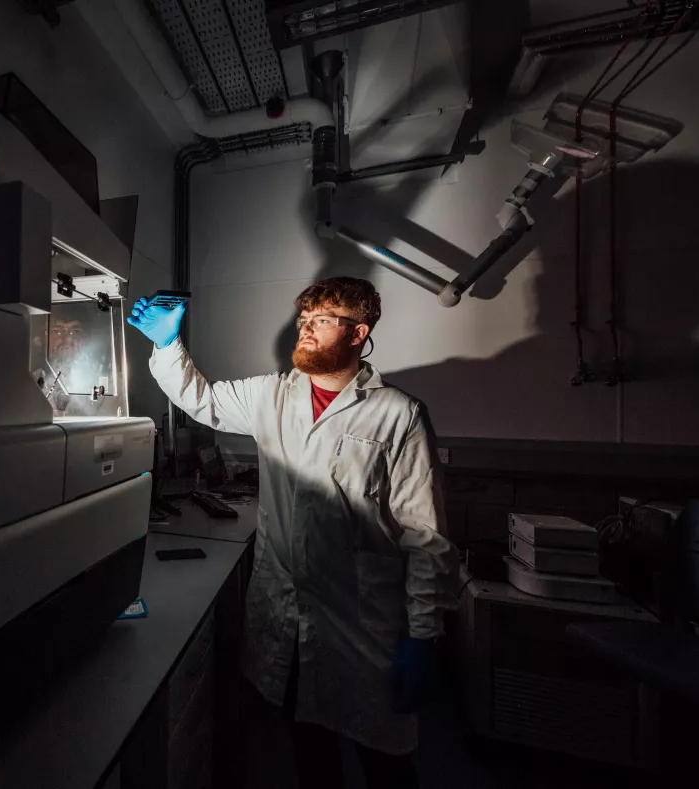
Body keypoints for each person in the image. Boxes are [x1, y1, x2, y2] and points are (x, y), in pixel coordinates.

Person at [128, 277, 458, 789]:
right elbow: (203, 401)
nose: (304, 330)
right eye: (303, 321)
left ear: (358, 332)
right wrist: (167, 343)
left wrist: (423, 633)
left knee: (385, 762)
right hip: (287, 611)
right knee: (309, 750)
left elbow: (424, 534)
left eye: (320, 321)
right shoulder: (272, 395)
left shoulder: (399, 414)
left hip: (362, 620)